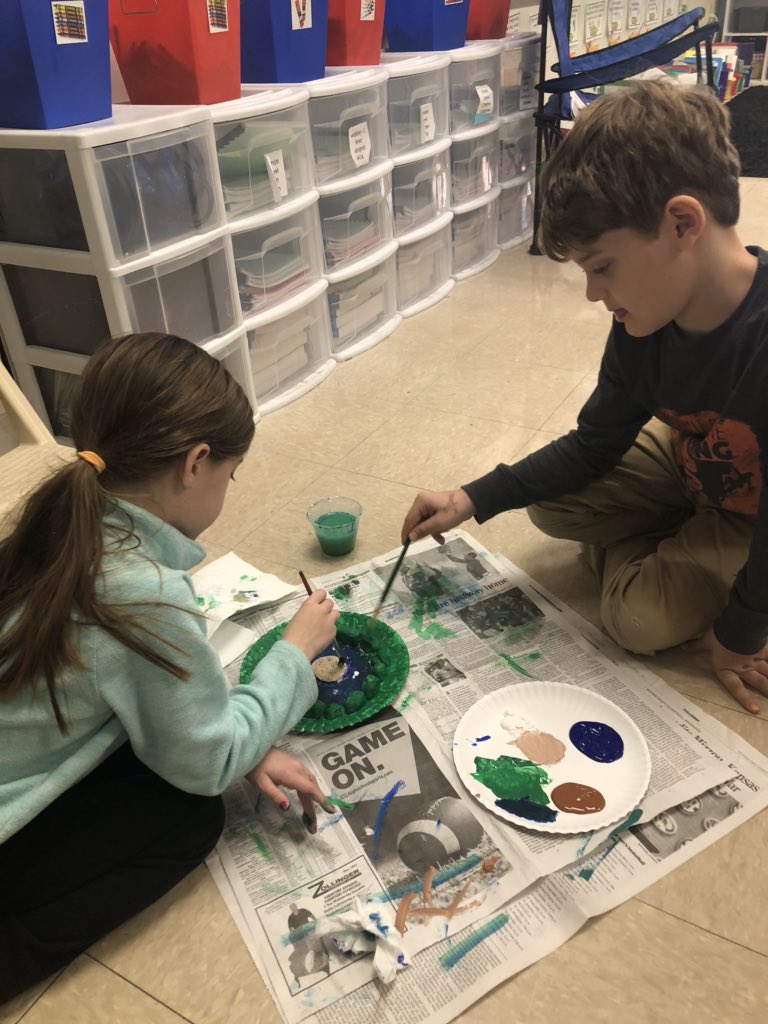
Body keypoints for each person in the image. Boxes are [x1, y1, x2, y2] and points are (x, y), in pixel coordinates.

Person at [401, 81, 768, 716]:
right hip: (692, 463)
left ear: (682, 223)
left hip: (751, 513)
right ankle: (673, 539)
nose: (594, 295)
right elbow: (596, 443)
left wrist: (741, 633)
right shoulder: (645, 320)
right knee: (550, 507)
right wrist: (471, 497)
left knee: (637, 621)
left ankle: (679, 550)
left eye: (602, 267)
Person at [0, 333, 340, 1001]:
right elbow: (205, 761)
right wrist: (292, 656)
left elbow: (136, 689)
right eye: (230, 474)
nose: (227, 489)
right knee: (190, 816)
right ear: (196, 463)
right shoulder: (143, 590)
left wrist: (243, 743)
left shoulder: (58, 521)